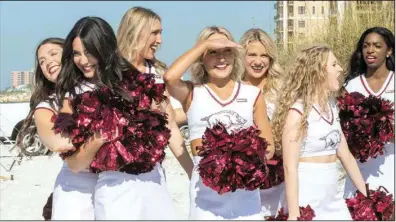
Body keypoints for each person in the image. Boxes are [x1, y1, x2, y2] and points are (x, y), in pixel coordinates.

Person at [55, 16, 177, 220]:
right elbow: (74, 164)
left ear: (104, 49)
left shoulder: (135, 80)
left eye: (89, 52)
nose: (83, 61)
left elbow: (166, 120)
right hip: (114, 189)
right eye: (77, 54)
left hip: (154, 181)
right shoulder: (72, 95)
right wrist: (97, 139)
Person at [163, 26, 275, 220]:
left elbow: (269, 147)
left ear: (234, 55)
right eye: (213, 52)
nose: (221, 58)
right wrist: (204, 44)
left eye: (226, 51)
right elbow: (170, 77)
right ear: (202, 58)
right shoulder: (192, 93)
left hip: (245, 195)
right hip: (205, 196)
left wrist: (238, 160)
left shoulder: (252, 95)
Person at [271, 45, 367, 220]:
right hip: (307, 196)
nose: (340, 68)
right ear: (318, 72)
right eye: (334, 64)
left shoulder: (332, 106)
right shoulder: (298, 112)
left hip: (333, 195)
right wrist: (294, 215)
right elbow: (289, 167)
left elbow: (345, 155)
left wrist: (366, 196)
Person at [18, 37, 98, 220]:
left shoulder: (98, 87)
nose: (48, 62)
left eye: (53, 54)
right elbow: (58, 141)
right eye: (42, 62)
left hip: (113, 184)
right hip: (77, 192)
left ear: (71, 56)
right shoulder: (46, 106)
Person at [117, 6, 193, 178]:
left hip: (154, 172)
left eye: (161, 33)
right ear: (136, 31)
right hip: (114, 175)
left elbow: (170, 125)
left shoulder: (158, 74)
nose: (159, 40)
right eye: (154, 33)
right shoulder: (109, 73)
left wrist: (192, 173)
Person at [342, 27, 395, 197]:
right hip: (359, 170)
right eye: (366, 46)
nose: (370, 50)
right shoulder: (351, 87)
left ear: (389, 51)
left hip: (390, 167)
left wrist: (382, 128)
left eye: (377, 46)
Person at [239, 28, 285, 218]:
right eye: (252, 55)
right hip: (243, 180)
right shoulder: (233, 87)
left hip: (280, 179)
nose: (258, 62)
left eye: (264, 55)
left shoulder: (284, 87)